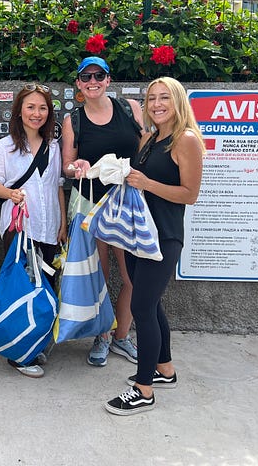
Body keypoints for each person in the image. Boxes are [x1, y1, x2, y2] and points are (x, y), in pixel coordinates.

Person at [104, 76, 204, 415]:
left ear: (178, 102)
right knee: (152, 304)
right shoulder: (152, 138)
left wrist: (147, 182)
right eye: (152, 98)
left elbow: (190, 194)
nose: (157, 104)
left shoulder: (185, 140)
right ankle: (164, 369)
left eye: (165, 97)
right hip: (139, 235)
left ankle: (143, 390)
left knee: (142, 309)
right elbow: (139, 180)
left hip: (164, 237)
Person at [62, 56, 143, 368]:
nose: (92, 81)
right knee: (97, 276)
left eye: (99, 75)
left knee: (131, 275)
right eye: (86, 77)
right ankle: (103, 335)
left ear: (109, 80)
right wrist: (76, 166)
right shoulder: (74, 121)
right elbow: (67, 167)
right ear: (79, 84)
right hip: (90, 204)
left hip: (127, 203)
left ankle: (122, 335)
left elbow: (145, 147)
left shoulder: (130, 109)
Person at [0, 83, 67, 378]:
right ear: (19, 111)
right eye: (31, 107)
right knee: (23, 290)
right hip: (20, 228)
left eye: (43, 108)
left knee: (44, 287)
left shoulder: (55, 147)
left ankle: (32, 345)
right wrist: (11, 194)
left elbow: (57, 186)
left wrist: (63, 224)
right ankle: (18, 357)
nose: (37, 113)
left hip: (48, 228)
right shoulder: (3, 147)